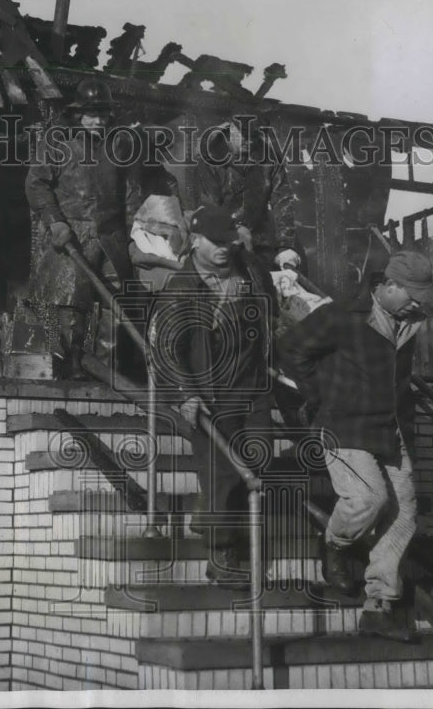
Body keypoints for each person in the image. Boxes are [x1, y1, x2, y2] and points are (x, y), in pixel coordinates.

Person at [277, 250, 433, 642]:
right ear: (386, 286)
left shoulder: (409, 324)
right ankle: (334, 544)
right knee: (369, 498)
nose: (417, 303)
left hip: (389, 428)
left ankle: (379, 605)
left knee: (404, 511)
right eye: (411, 294)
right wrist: (318, 396)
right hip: (343, 426)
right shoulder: (342, 317)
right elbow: (291, 349)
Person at [151, 205, 278, 589]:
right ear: (196, 241)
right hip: (208, 394)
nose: (225, 248)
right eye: (216, 242)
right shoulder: (182, 287)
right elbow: (165, 348)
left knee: (258, 456)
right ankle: (221, 555)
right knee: (221, 472)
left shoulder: (251, 271)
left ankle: (209, 515)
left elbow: (271, 313)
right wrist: (186, 394)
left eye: (230, 241)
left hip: (251, 387)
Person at [25, 79, 141, 379]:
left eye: (102, 114)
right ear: (78, 114)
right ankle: (72, 366)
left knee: (113, 306)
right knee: (71, 304)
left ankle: (105, 370)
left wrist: (133, 236)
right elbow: (36, 184)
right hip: (73, 235)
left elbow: (130, 193)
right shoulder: (58, 142)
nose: (98, 121)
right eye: (91, 114)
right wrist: (55, 220)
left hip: (111, 237)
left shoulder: (119, 145)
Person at [196, 117, 297, 267]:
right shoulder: (210, 158)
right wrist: (234, 229)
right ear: (230, 129)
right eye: (244, 133)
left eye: (254, 135)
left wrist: (285, 246)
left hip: (260, 242)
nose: (249, 140)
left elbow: (283, 201)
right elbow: (209, 207)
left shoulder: (270, 157)